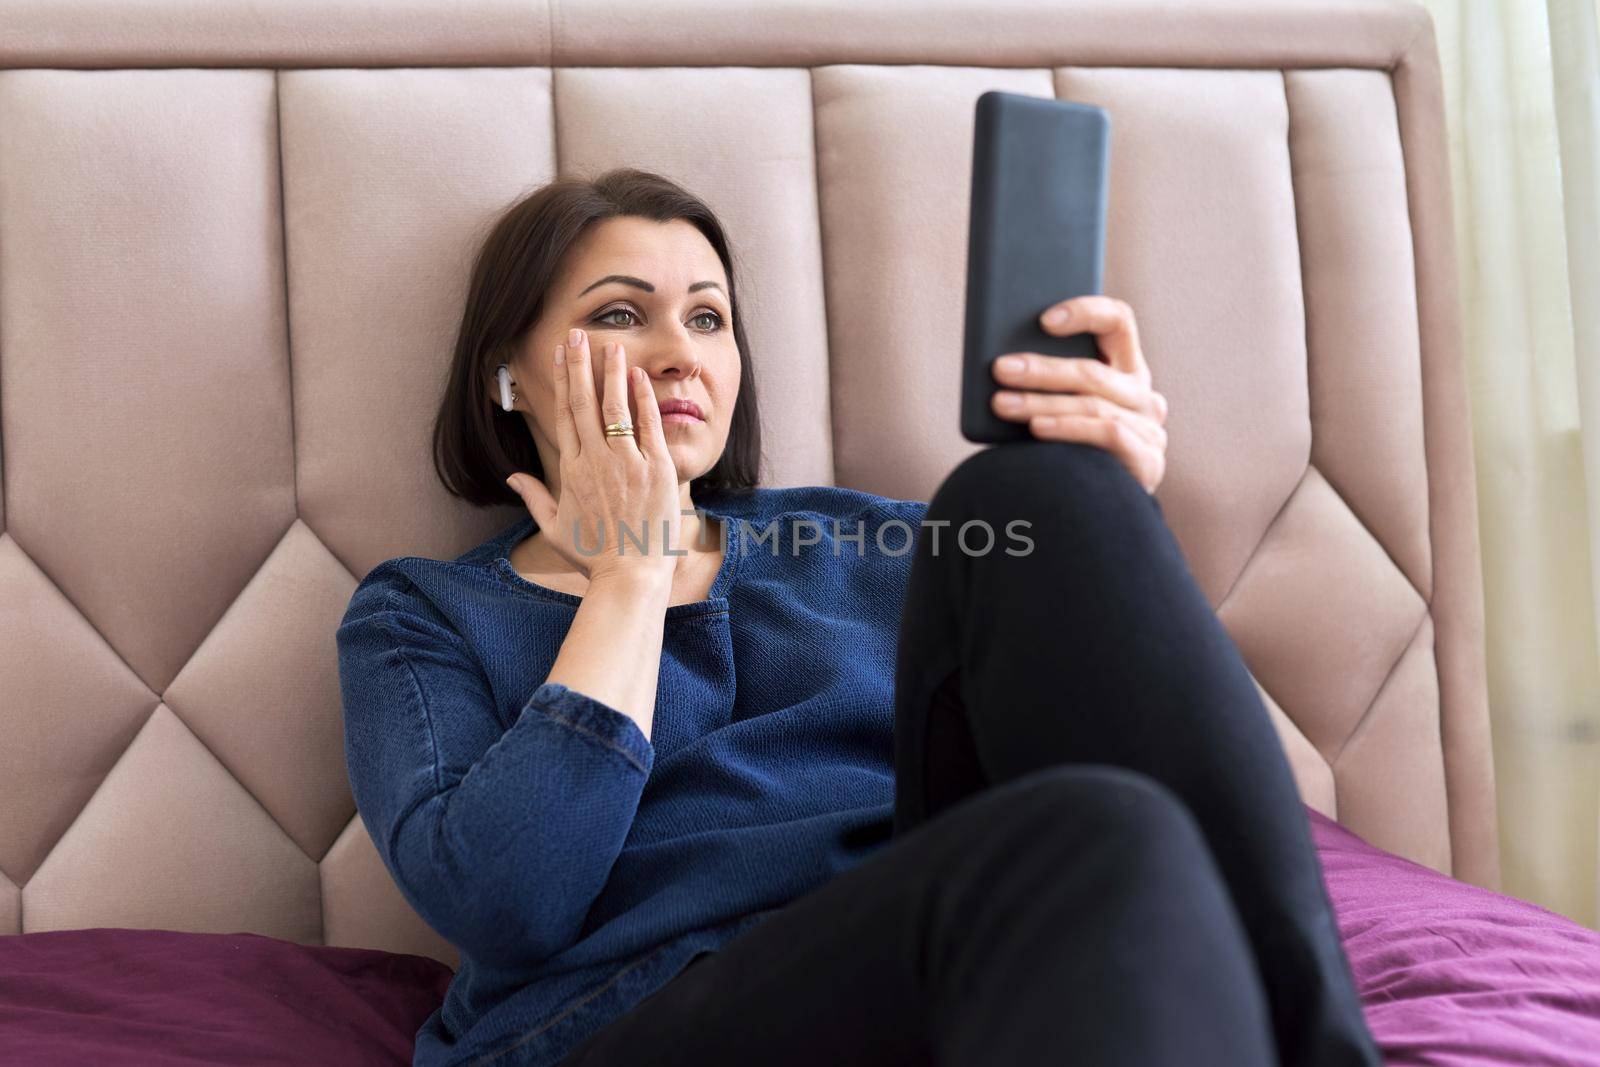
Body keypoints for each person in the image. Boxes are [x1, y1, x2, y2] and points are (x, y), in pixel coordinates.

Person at [336, 167, 1384, 1067]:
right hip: (616, 1021)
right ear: (508, 375)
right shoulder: (424, 613)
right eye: (619, 313)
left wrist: (1104, 506)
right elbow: (507, 902)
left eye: (707, 317)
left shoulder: (874, 544)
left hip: (933, 957)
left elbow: (1101, 710)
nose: (679, 351)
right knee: (1090, 831)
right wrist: (629, 578)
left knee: (1037, 502)